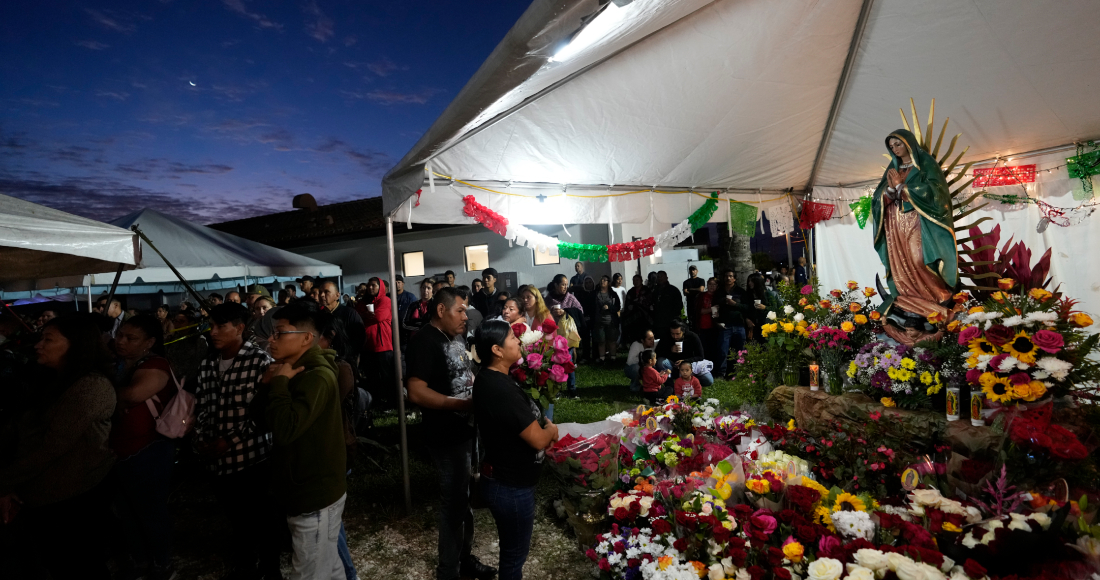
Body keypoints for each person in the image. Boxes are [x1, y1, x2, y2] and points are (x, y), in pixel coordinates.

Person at [0, 314, 116, 579]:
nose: (38, 345)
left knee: (77, 564)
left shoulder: (91, 386)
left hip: (74, 500)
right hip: (44, 496)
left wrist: (4, 482)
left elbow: (52, 447)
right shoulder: (49, 381)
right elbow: (22, 431)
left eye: (48, 339)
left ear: (75, 345)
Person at [251, 304, 347, 580]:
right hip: (303, 489)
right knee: (327, 566)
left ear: (306, 338)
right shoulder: (290, 369)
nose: (271, 339)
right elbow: (260, 420)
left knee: (309, 570)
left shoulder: (316, 375)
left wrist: (279, 385)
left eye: (279, 333)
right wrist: (268, 384)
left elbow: (284, 429)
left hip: (313, 493)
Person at [405, 287, 496, 580]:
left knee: (464, 500)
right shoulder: (424, 341)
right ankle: (448, 571)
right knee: (453, 503)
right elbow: (416, 391)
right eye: (459, 310)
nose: (465, 317)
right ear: (441, 310)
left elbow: (462, 373)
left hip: (467, 431)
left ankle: (463, 557)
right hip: (445, 435)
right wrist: (461, 404)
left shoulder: (455, 337)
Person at [193, 303, 283, 580]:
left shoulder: (259, 361)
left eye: (221, 326)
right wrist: (201, 439)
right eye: (212, 326)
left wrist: (230, 440)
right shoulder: (208, 363)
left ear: (240, 328)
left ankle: (270, 567)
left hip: (251, 456)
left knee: (262, 517)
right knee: (236, 517)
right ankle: (244, 564)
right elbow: (202, 405)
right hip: (217, 460)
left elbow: (264, 412)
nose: (214, 332)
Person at [472, 320, 559, 580]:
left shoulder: (494, 379)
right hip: (510, 486)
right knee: (513, 557)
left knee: (513, 553)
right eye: (512, 337)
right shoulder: (499, 389)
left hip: (507, 480)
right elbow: (538, 440)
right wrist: (551, 431)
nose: (519, 341)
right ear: (497, 350)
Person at [109, 314, 179, 580]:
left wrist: (103, 395)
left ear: (150, 342)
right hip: (120, 450)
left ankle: (162, 563)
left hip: (149, 449)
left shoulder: (156, 365)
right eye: (120, 335)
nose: (122, 341)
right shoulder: (118, 364)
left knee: (150, 511)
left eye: (131, 338)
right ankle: (140, 561)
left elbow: (134, 395)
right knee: (127, 513)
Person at [873, 128, 958, 346]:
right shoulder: (893, 168)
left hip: (918, 222)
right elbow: (877, 196)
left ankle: (935, 297)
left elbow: (937, 192)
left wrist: (905, 189)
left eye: (897, 144)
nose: (894, 149)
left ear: (908, 143)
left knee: (918, 259)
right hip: (895, 224)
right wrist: (888, 194)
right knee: (900, 263)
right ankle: (908, 300)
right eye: (891, 146)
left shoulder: (925, 163)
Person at [314, 312, 363, 580]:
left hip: (335, 451)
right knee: (330, 523)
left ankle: (348, 573)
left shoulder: (339, 369)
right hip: (327, 453)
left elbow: (322, 411)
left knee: (331, 522)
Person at [711, 269, 760, 377]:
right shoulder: (719, 292)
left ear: (734, 279)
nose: (728, 278)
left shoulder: (740, 292)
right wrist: (716, 321)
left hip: (739, 325)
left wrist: (735, 304)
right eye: (726, 276)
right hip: (725, 325)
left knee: (740, 350)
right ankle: (721, 373)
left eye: (730, 276)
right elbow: (714, 307)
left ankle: (740, 372)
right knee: (723, 351)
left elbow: (747, 307)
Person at [357, 278, 393, 405]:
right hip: (367, 345)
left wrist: (364, 316)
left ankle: (390, 401)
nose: (370, 288)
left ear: (380, 287)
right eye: (369, 285)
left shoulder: (385, 300)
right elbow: (356, 317)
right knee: (371, 376)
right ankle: (375, 401)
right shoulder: (362, 302)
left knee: (386, 376)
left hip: (382, 345)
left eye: (374, 285)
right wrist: (365, 315)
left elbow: (379, 316)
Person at [654, 319, 713, 389]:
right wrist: (670, 350)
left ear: (683, 331)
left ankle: (690, 381)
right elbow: (657, 354)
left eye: (678, 334)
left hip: (690, 367)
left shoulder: (692, 337)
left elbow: (700, 356)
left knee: (708, 380)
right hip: (673, 366)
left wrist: (685, 361)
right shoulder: (666, 337)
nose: (675, 337)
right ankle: (670, 384)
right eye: (672, 334)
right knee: (661, 361)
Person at [321, 280, 366, 367]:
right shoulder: (319, 315)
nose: (322, 295)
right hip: (325, 360)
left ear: (337, 295)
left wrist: (348, 355)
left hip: (345, 360)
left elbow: (360, 338)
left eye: (326, 292)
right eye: (320, 292)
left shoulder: (349, 313)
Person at [593, 275, 620, 363]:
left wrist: (609, 307)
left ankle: (613, 357)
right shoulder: (595, 293)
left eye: (605, 280)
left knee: (612, 340)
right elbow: (592, 306)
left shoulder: (613, 294)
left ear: (608, 283)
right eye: (601, 280)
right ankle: (602, 358)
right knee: (601, 340)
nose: (602, 282)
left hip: (611, 321)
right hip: (599, 321)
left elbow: (617, 306)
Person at [622, 274, 653, 344]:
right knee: (635, 336)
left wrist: (638, 302)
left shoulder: (647, 290)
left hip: (645, 318)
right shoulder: (630, 291)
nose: (635, 282)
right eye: (634, 280)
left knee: (645, 335)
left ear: (641, 280)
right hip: (633, 318)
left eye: (637, 280)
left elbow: (649, 301)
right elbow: (628, 304)